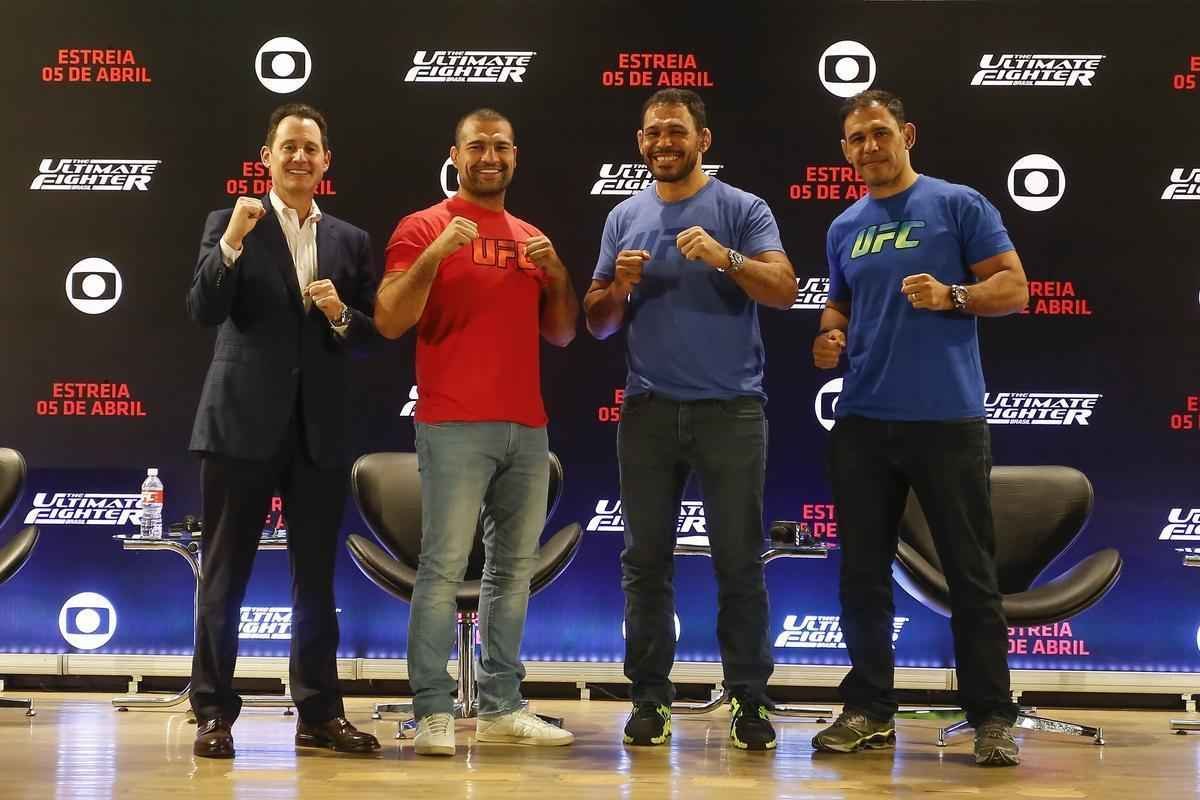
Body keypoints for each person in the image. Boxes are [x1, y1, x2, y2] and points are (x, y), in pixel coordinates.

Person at [810, 89, 1029, 767]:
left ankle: (992, 716)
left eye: (880, 134)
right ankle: (870, 709)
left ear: (907, 133)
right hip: (863, 423)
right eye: (855, 140)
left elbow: (1015, 288)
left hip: (946, 420)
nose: (869, 148)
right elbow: (838, 309)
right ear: (845, 151)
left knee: (970, 575)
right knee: (863, 578)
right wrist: (829, 336)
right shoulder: (844, 226)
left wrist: (953, 295)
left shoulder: (958, 204)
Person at [584, 89, 797, 751]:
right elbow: (596, 322)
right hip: (648, 412)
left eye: (676, 130)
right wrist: (616, 288)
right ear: (641, 143)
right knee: (644, 563)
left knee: (739, 562)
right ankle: (650, 700)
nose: (663, 142)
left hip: (731, 411)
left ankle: (750, 702)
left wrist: (727, 259)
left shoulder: (742, 209)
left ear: (703, 139)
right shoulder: (624, 216)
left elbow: (785, 289)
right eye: (652, 133)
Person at [374, 108, 579, 757]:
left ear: (515, 156)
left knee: (512, 572)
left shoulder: (531, 236)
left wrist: (559, 276)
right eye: (476, 147)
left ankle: (500, 705)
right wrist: (436, 253)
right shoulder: (423, 226)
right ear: (456, 156)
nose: (489, 157)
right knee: (440, 568)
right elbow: (388, 318)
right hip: (454, 422)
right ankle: (433, 709)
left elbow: (565, 331)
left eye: (500, 147)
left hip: (527, 426)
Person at [186, 103, 381, 759]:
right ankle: (212, 713)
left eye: (312, 148)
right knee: (224, 577)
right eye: (288, 146)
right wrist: (233, 244)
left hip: (317, 433)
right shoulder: (231, 221)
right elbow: (203, 307)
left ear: (326, 162)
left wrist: (340, 314)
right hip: (239, 424)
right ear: (266, 157)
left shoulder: (351, 241)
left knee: (316, 584)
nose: (300, 157)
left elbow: (373, 337)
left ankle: (320, 715)